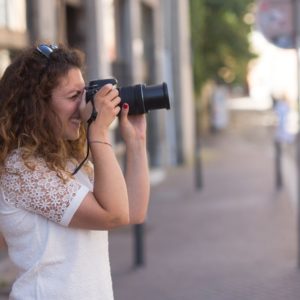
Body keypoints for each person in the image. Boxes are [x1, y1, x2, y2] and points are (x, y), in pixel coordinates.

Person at [0, 43, 150, 299]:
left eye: (84, 95)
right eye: (73, 97)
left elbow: (132, 211)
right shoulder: (23, 169)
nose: (84, 107)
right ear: (37, 107)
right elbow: (113, 215)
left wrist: (136, 142)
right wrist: (99, 132)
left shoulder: (67, 160)